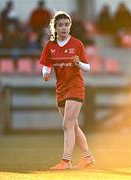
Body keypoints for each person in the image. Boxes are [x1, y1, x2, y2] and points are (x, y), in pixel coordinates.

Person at [39, 11, 95, 170]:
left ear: (70, 26)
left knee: (67, 124)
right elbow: (46, 64)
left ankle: (66, 161)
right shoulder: (50, 45)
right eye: (60, 25)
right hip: (61, 89)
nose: (64, 28)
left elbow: (88, 67)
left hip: (75, 88)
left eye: (66, 25)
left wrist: (79, 64)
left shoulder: (77, 44)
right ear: (55, 28)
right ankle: (88, 157)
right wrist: (46, 74)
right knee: (73, 126)